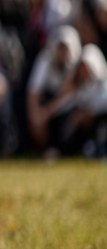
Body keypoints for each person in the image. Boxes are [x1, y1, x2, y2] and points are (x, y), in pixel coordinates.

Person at [27, 25, 81, 157]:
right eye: (60, 48)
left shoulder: (76, 65)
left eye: (66, 49)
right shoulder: (45, 58)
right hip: (49, 102)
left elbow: (68, 95)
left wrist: (45, 113)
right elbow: (34, 90)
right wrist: (35, 116)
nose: (63, 53)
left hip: (66, 107)